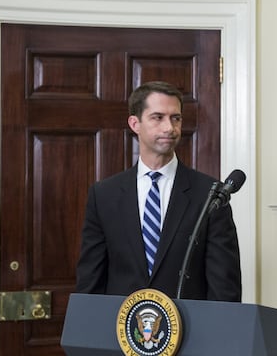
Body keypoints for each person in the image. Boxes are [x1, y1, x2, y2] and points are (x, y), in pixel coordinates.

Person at [75, 81, 241, 301]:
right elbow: (90, 281)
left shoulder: (209, 195)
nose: (169, 128)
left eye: (176, 118)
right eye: (158, 117)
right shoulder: (104, 195)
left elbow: (224, 287)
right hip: (120, 331)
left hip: (190, 331)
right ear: (135, 123)